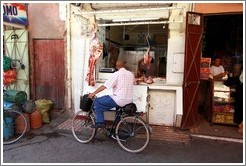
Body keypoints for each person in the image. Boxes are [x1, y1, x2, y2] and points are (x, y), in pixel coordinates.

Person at [88, 59, 135, 128]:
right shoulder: (131, 74)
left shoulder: (116, 74)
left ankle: (100, 122)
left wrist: (93, 93)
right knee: (118, 111)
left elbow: (105, 86)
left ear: (116, 67)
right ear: (124, 65)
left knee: (97, 101)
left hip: (119, 99)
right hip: (129, 101)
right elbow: (134, 82)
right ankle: (116, 127)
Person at [224, 68, 243, 133]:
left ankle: (241, 125)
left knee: (240, 111)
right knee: (240, 110)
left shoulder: (239, 78)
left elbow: (230, 82)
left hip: (239, 97)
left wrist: (229, 76)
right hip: (239, 97)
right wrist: (229, 75)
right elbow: (230, 82)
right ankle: (241, 125)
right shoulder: (239, 78)